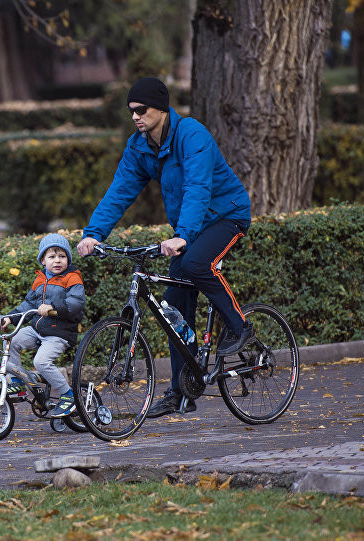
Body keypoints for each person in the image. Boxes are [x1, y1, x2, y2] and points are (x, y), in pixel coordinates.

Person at [76, 77, 254, 418]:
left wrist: (183, 236)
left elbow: (198, 187)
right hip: (190, 227)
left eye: (141, 110)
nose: (135, 117)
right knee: (174, 309)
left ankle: (240, 325)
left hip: (225, 216)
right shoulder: (140, 146)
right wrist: (94, 233)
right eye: (131, 111)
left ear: (161, 108)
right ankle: (181, 392)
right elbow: (120, 191)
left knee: (197, 264)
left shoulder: (192, 135)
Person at [3, 233, 86, 418]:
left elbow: (76, 303)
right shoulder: (40, 279)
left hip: (59, 333)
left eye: (62, 256)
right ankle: (17, 382)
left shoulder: (72, 278)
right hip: (38, 329)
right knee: (11, 341)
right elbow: (28, 304)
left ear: (68, 259)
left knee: (40, 362)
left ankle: (68, 395)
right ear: (42, 260)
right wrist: (10, 318)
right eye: (52, 256)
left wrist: (53, 308)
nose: (57, 261)